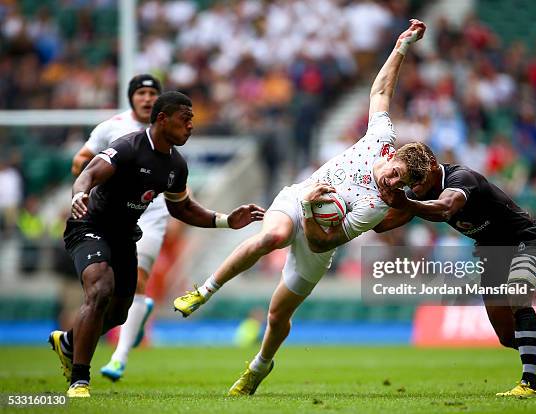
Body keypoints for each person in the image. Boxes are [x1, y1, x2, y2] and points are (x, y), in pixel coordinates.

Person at [173, 19, 428, 396]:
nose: (392, 183)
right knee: (271, 236)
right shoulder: (382, 138)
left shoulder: (375, 206)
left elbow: (325, 242)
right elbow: (380, 91)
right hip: (297, 197)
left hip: (317, 232)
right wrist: (401, 47)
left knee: (278, 316)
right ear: (394, 157)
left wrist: (310, 211)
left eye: (401, 184)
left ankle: (259, 366)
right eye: (395, 173)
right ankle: (205, 291)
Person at [49, 91, 265, 398]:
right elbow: (89, 174)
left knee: (120, 312)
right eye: (185, 118)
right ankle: (79, 380)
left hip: (124, 236)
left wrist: (227, 220)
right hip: (90, 226)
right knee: (99, 289)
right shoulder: (128, 148)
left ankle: (69, 342)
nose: (191, 125)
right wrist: (79, 195)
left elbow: (183, 208)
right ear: (162, 119)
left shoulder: (176, 165)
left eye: (192, 120)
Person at [373, 143, 536, 397]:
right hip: (492, 250)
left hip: (523, 237)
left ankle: (530, 383)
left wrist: (406, 203)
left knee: (518, 297)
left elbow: (446, 207)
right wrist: (349, 217)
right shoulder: (420, 190)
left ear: (433, 167)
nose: (413, 187)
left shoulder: (461, 178)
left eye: (416, 179)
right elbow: (382, 225)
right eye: (409, 182)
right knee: (506, 335)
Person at [71, 74, 166, 381]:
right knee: (109, 294)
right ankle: (76, 340)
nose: (147, 98)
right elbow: (80, 162)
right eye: (141, 92)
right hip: (112, 216)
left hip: (151, 214)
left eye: (153, 92)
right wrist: (97, 182)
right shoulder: (112, 127)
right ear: (131, 97)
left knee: (137, 281)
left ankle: (118, 358)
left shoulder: (166, 131)